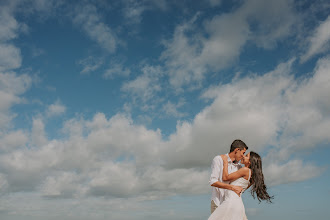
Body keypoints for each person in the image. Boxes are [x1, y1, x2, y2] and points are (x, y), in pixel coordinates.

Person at [208, 151, 273, 220]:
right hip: (236, 201)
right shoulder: (252, 176)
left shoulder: (245, 170)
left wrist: (225, 162)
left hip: (231, 201)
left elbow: (225, 177)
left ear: (250, 162)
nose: (243, 156)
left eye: (246, 156)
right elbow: (241, 189)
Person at [209, 140, 248, 213]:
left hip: (231, 205)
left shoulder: (239, 167)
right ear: (237, 150)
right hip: (218, 203)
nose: (243, 156)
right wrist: (232, 188)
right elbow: (213, 181)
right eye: (243, 153)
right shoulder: (219, 159)